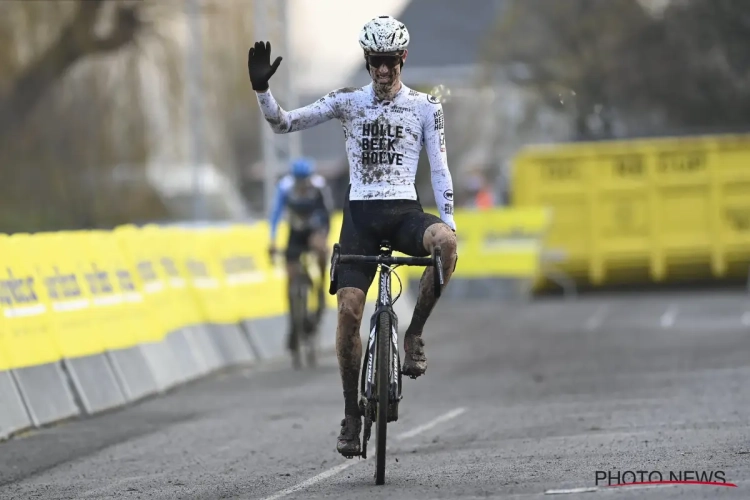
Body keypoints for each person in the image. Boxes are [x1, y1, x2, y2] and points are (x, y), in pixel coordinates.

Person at [248, 15, 458, 458]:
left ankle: (414, 335)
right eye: (375, 63)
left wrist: (450, 222)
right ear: (366, 61)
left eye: (390, 63)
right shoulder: (347, 102)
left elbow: (440, 169)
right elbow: (284, 124)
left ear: (403, 59)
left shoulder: (426, 107)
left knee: (448, 245)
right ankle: (350, 413)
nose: (383, 72)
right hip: (360, 219)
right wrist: (263, 92)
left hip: (405, 213)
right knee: (347, 314)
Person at [268, 157, 333, 361]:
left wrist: (323, 237)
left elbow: (327, 214)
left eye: (305, 180)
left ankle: (321, 287)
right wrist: (272, 240)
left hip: (314, 230)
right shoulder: (285, 188)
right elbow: (276, 214)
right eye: (299, 181)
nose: (302, 185)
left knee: (321, 251)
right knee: (291, 274)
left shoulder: (319, 187)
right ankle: (293, 321)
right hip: (295, 234)